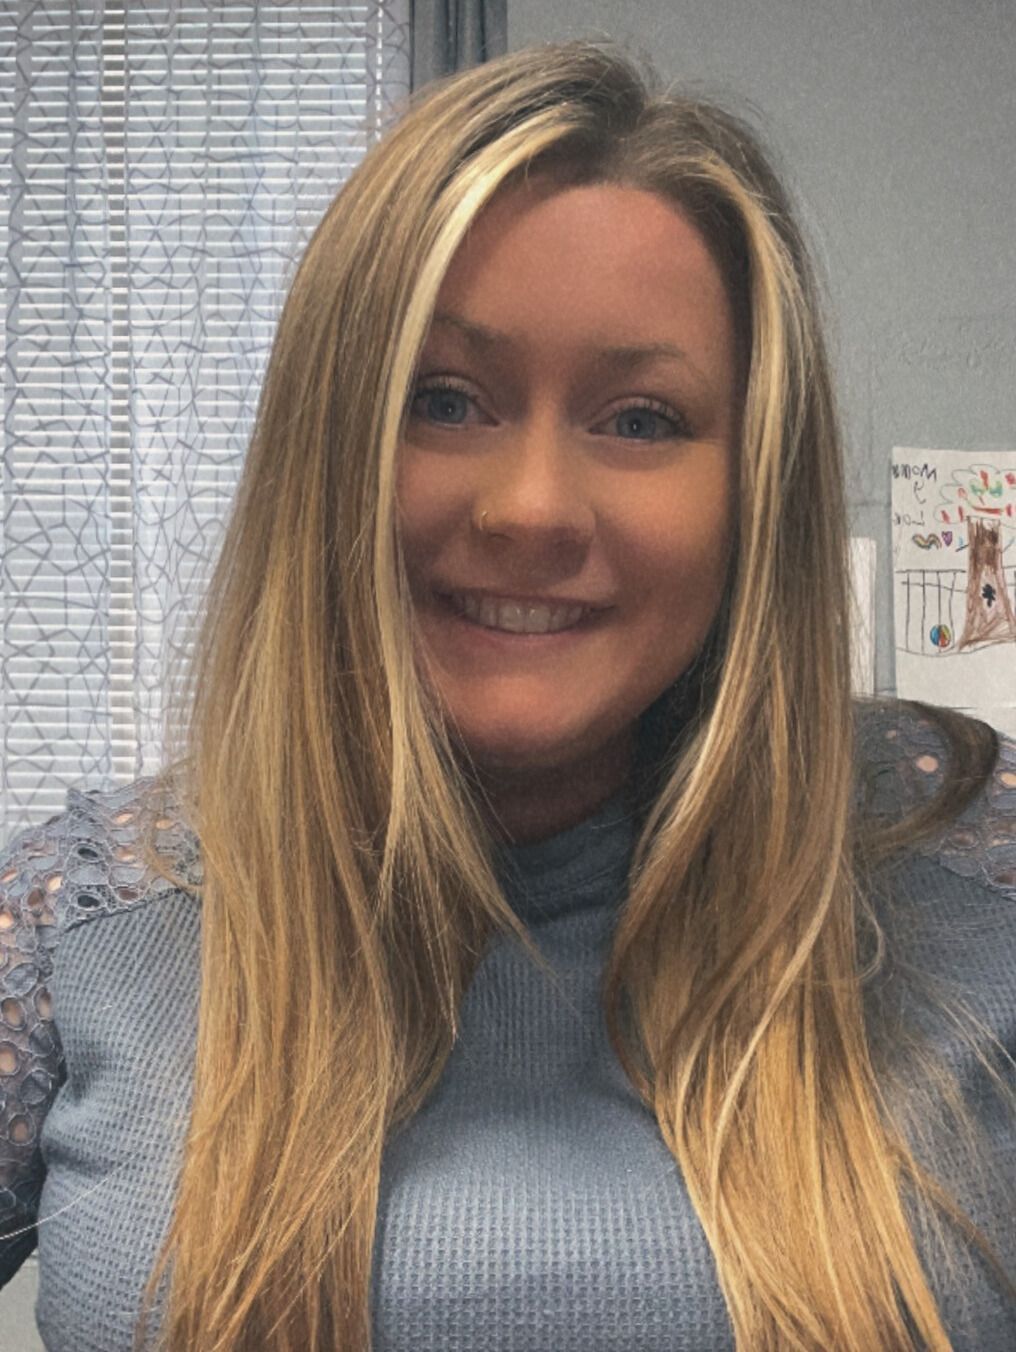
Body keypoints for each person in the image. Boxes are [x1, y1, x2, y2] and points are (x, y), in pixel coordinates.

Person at [0, 36, 1013, 1352]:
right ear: (330, 451)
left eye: (640, 418)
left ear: (755, 495)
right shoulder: (83, 923)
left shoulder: (973, 876)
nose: (531, 506)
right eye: (446, 399)